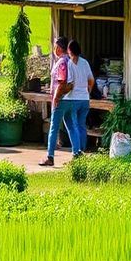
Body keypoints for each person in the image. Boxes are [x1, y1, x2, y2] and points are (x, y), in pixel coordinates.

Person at [40, 37, 72, 167]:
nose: (53, 49)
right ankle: (77, 153)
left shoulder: (62, 62)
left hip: (60, 99)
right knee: (70, 126)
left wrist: (56, 97)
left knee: (53, 128)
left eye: (54, 46)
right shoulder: (69, 61)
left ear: (59, 48)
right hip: (69, 98)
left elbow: (62, 81)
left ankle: (50, 157)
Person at [63, 40, 95, 158]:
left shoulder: (69, 64)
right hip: (85, 100)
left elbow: (70, 83)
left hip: (73, 99)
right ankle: (83, 148)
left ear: (69, 51)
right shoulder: (85, 62)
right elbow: (91, 80)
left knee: (73, 126)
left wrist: (61, 93)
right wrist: (88, 91)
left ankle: (76, 152)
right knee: (81, 125)